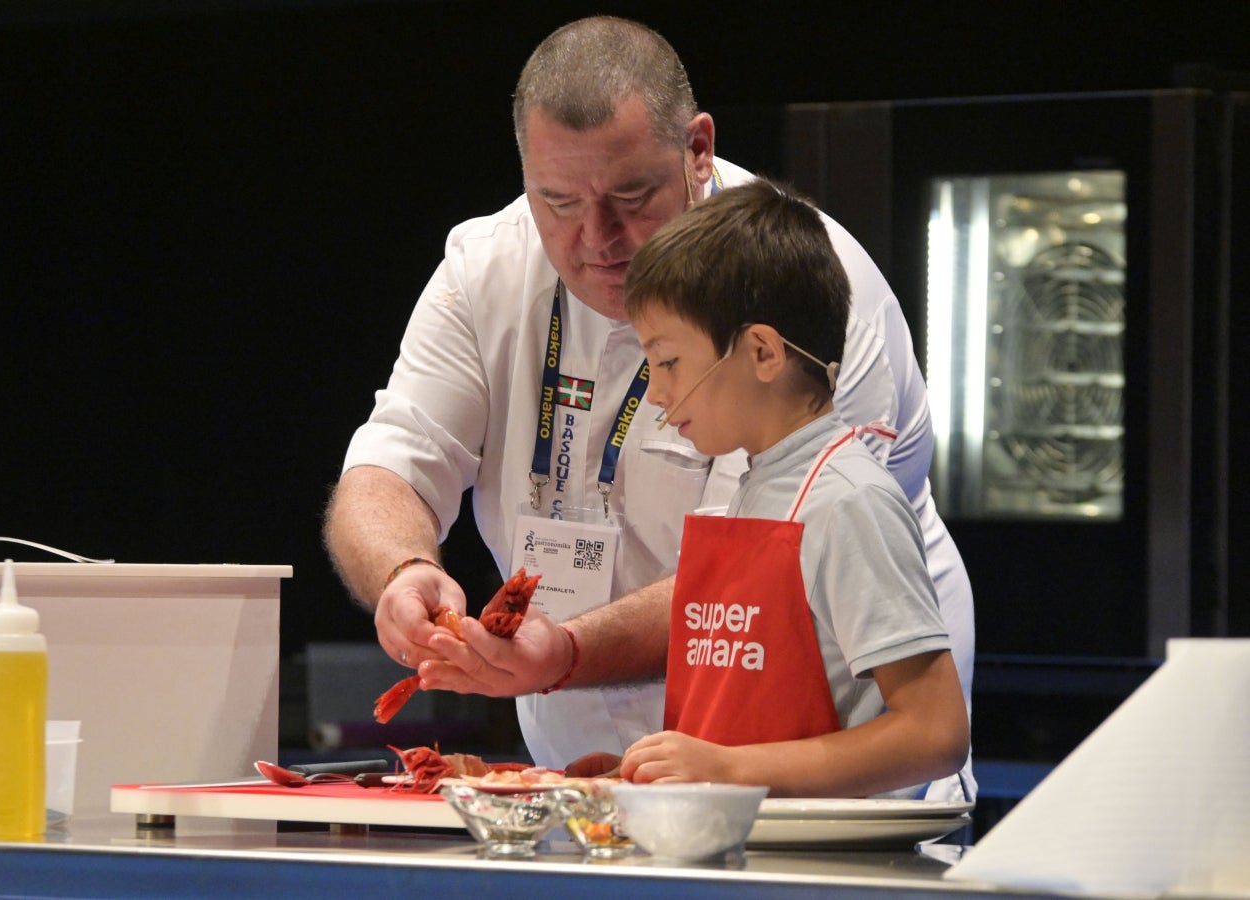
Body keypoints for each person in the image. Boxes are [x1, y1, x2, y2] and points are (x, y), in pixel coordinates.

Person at [324, 15, 975, 800]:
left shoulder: (809, 287)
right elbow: (393, 457)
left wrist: (563, 654)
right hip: (613, 773)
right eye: (556, 200)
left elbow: (758, 572)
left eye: (631, 195)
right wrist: (404, 571)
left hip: (817, 779)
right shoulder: (482, 267)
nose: (595, 238)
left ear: (698, 148)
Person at [567, 178, 969, 796]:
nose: (655, 391)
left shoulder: (849, 500)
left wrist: (727, 772)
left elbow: (935, 732)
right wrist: (649, 779)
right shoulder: (757, 489)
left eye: (668, 361)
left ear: (761, 352)